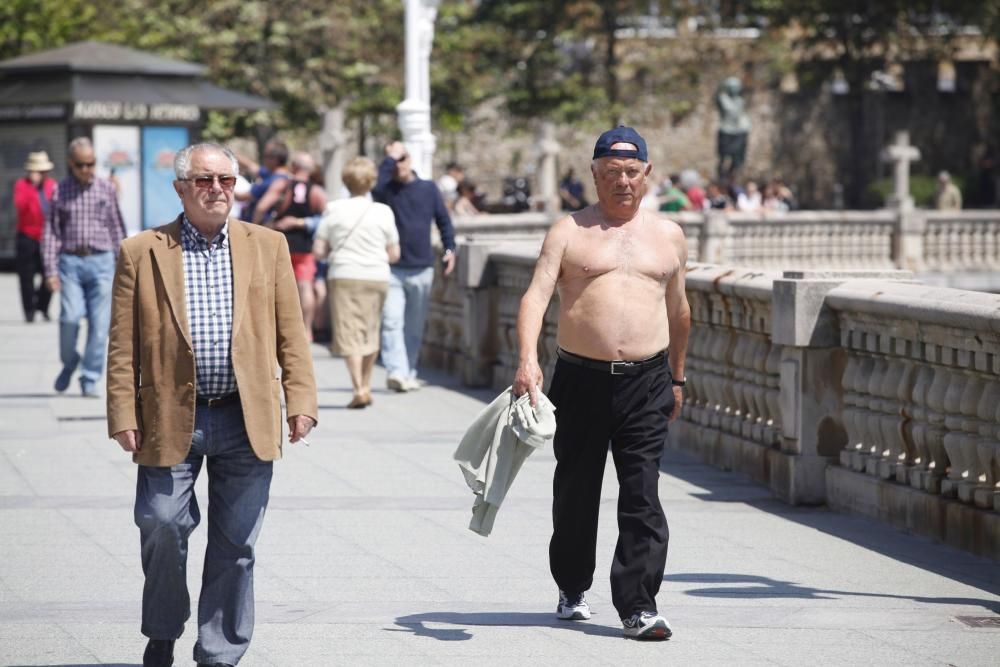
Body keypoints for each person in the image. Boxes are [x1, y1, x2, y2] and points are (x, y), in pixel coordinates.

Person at [106, 142, 317, 667]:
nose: (216, 189)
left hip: (248, 415)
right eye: (203, 180)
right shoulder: (142, 250)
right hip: (169, 414)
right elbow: (121, 343)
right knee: (161, 523)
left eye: (225, 180)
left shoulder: (267, 245)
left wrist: (302, 398)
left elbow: (292, 332)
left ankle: (219, 652)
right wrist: (121, 412)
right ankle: (162, 628)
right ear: (181, 188)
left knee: (237, 544)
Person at [513, 126, 690, 641]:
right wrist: (527, 359)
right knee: (576, 490)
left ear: (647, 174)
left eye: (631, 173)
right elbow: (534, 297)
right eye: (611, 173)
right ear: (594, 175)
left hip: (648, 380)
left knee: (642, 493)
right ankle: (572, 585)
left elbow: (680, 312)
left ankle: (638, 605)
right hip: (580, 379)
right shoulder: (568, 232)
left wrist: (677, 377)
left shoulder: (670, 236)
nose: (622, 183)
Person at [313, 157, 400, 408]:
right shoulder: (383, 211)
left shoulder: (334, 209)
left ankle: (358, 387)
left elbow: (319, 249)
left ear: (346, 181)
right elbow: (394, 253)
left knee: (348, 330)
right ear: (371, 181)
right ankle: (367, 382)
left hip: (344, 274)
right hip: (376, 275)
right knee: (371, 329)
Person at [43, 137, 126, 397]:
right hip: (71, 263)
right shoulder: (60, 190)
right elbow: (51, 232)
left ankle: (90, 377)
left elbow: (116, 227)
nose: (87, 169)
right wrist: (50, 271)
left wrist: (124, 266)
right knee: (69, 317)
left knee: (100, 325)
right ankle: (70, 362)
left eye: (91, 163)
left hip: (102, 262)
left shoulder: (105, 189)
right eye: (81, 164)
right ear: (71, 163)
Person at [373, 141, 456, 392]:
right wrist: (390, 159)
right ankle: (396, 371)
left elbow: (444, 221)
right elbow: (375, 187)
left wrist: (450, 249)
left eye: (403, 158)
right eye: (393, 160)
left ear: (412, 160)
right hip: (393, 268)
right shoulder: (385, 190)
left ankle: (408, 371)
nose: (399, 164)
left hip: (422, 267)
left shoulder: (428, 189)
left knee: (414, 325)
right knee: (391, 321)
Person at [253, 151, 328, 338]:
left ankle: (276, 328)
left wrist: (254, 229)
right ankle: (307, 330)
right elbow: (327, 217)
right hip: (305, 246)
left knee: (275, 285)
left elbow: (262, 207)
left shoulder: (283, 185)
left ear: (293, 166)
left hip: (280, 242)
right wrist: (303, 223)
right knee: (305, 286)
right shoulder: (316, 191)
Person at [13, 150, 56, 322]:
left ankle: (42, 306)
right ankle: (29, 311)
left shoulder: (52, 185)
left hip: (47, 237)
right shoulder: (22, 185)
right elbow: (20, 205)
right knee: (26, 276)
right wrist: (32, 187)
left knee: (49, 273)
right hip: (27, 236)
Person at [234, 139, 290, 222]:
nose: (263, 159)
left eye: (266, 156)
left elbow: (259, 207)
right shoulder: (274, 174)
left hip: (257, 225)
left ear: (275, 159)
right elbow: (250, 165)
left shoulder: (274, 181)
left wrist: (223, 187)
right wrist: (231, 154)